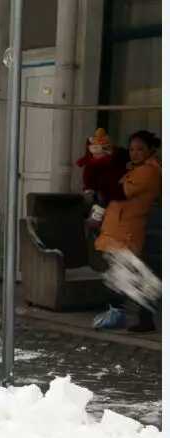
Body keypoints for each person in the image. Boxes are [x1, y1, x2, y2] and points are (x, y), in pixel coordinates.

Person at [93, 130, 161, 333]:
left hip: (127, 231)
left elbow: (119, 192)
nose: (135, 153)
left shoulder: (148, 171)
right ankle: (140, 317)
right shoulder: (134, 169)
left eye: (140, 149)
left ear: (151, 150)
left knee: (125, 275)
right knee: (126, 274)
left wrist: (105, 179)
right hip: (119, 229)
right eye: (131, 149)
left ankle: (124, 315)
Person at [75, 128, 129, 229]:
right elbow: (88, 176)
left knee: (98, 212)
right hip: (101, 193)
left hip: (108, 194)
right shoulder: (93, 164)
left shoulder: (110, 161)